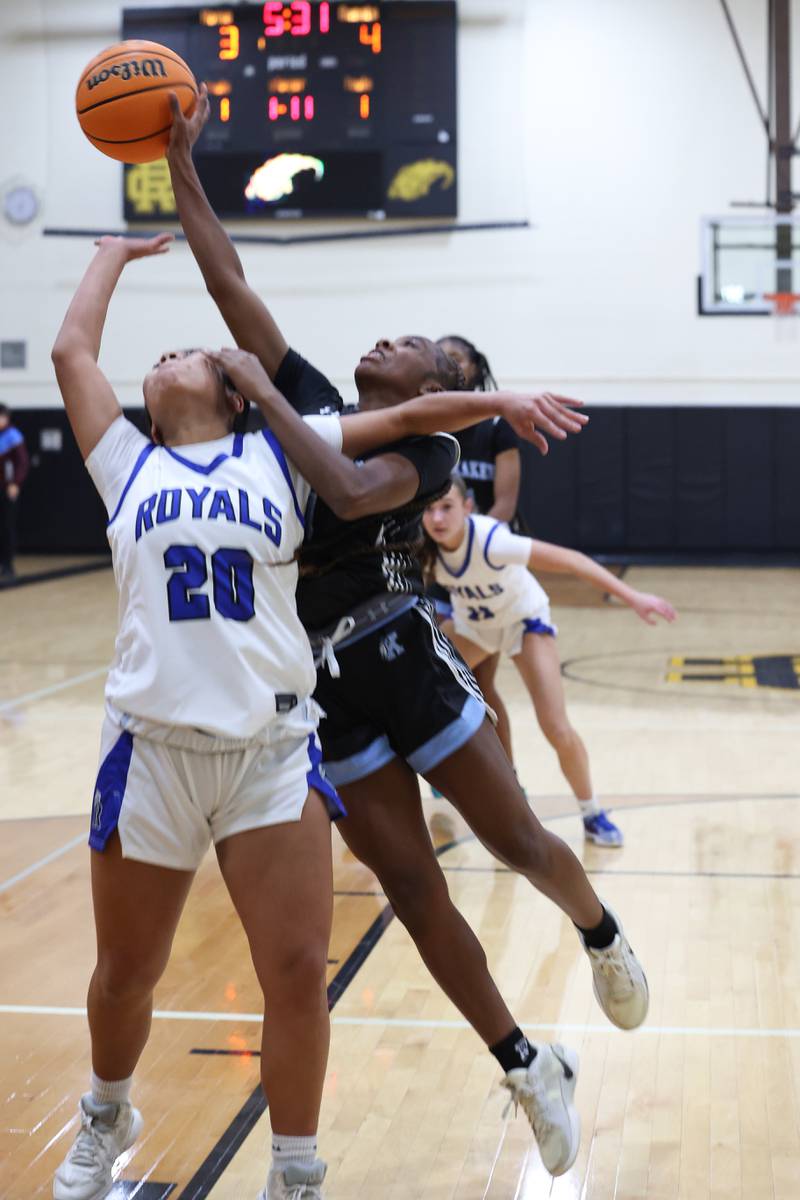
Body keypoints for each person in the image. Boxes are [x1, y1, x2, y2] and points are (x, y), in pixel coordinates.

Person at [167, 87, 650, 1181]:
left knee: (515, 840)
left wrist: (257, 389)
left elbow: (339, 490)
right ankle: (526, 1066)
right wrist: (179, 159)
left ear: (435, 393)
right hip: (320, 689)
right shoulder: (323, 400)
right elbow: (227, 278)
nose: (384, 340)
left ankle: (598, 932)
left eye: (414, 346)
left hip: (401, 656)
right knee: (413, 896)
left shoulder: (421, 456)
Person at [49, 235, 559, 1200]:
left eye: (186, 355)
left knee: (292, 973)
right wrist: (112, 255)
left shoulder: (277, 456)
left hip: (272, 754)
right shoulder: (123, 461)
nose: (165, 359)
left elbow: (412, 415)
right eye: (159, 358)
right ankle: (106, 1110)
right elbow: (75, 353)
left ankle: (294, 1172)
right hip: (151, 752)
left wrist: (504, 401)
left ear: (235, 391)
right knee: (125, 975)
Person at [423, 476, 677, 845]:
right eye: (429, 508)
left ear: (467, 507)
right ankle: (473, 781)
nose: (437, 517)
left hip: (523, 622)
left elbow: (572, 561)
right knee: (421, 686)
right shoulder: (425, 549)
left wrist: (632, 596)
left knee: (555, 726)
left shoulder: (492, 541)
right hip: (476, 627)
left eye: (446, 506)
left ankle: (592, 812)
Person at [435, 335, 521, 765]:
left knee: (482, 682)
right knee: (440, 677)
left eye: (455, 359)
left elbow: (504, 504)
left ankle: (508, 779)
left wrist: (468, 553)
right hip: (433, 570)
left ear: (475, 367)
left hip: (482, 569)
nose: (448, 365)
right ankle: (450, 768)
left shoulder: (494, 425)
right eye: (440, 358)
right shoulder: (426, 425)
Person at [0, 402, 29, 579]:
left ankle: (8, 565)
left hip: (7, 489)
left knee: (6, 527)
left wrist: (15, 484)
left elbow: (22, 463)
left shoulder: (13, 436)